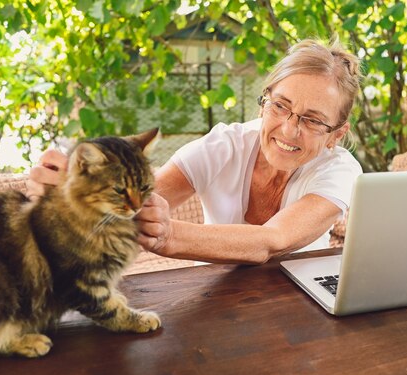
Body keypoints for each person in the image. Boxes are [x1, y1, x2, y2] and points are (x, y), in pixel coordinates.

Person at [27, 38, 363, 265]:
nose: (290, 129)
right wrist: (73, 196)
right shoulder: (225, 145)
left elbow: (273, 239)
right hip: (219, 297)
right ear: (264, 102)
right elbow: (136, 201)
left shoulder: (340, 171)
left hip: (301, 303)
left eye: (313, 120)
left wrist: (170, 235)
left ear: (337, 134)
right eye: (280, 106)